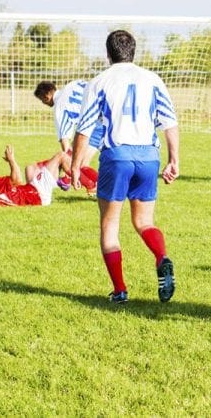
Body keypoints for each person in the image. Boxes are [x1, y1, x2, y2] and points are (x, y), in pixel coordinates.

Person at [70, 30, 180, 304]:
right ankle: (161, 257)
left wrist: (74, 165)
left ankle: (120, 291)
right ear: (133, 52)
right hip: (148, 157)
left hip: (116, 156)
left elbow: (84, 129)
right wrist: (174, 159)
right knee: (144, 221)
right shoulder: (153, 79)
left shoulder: (100, 81)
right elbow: (169, 122)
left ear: (107, 54)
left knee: (110, 227)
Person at [0, 145, 93, 207]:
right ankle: (91, 184)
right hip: (36, 194)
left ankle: (62, 177)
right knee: (61, 156)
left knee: (30, 168)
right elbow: (17, 180)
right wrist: (11, 160)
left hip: (30, 192)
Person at [34, 80, 100, 194]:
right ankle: (98, 188)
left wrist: (67, 169)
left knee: (80, 164)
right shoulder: (73, 84)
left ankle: (103, 188)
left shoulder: (59, 107)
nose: (43, 103)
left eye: (41, 99)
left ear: (47, 96)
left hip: (96, 125)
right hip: (108, 115)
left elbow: (65, 146)